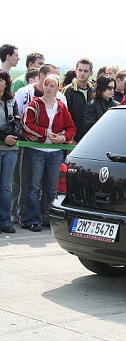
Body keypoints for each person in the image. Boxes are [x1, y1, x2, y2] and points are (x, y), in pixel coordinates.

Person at [22, 75, 76, 232]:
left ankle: (48, 218)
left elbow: (71, 127)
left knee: (52, 187)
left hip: (55, 152)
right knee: (34, 186)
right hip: (37, 150)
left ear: (57, 88)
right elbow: (26, 124)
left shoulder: (61, 106)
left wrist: (63, 137)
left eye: (52, 85)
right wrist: (45, 132)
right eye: (46, 85)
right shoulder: (34, 105)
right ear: (42, 86)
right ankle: (33, 219)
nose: (48, 88)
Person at [0, 70, 20, 233]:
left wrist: (14, 135)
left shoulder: (11, 101)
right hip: (1, 145)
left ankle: (5, 220)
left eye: (1, 80)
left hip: (11, 149)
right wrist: (3, 137)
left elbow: (18, 121)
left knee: (6, 186)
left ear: (6, 83)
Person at [61, 58, 95, 141]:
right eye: (80, 70)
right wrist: (69, 138)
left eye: (86, 71)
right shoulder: (68, 90)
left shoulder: (93, 90)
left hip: (90, 137)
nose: (82, 73)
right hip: (72, 138)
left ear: (91, 73)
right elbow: (62, 116)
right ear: (76, 71)